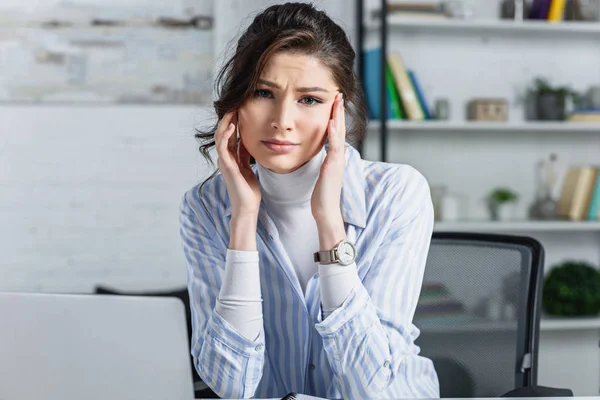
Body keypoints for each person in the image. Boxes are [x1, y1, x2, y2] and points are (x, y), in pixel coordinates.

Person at [179, 2, 439, 399]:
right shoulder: (207, 207)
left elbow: (367, 388)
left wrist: (329, 223)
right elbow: (231, 385)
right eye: (263, 92)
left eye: (309, 99)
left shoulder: (396, 193)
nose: (282, 119)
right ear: (236, 102)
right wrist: (244, 221)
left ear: (340, 108)